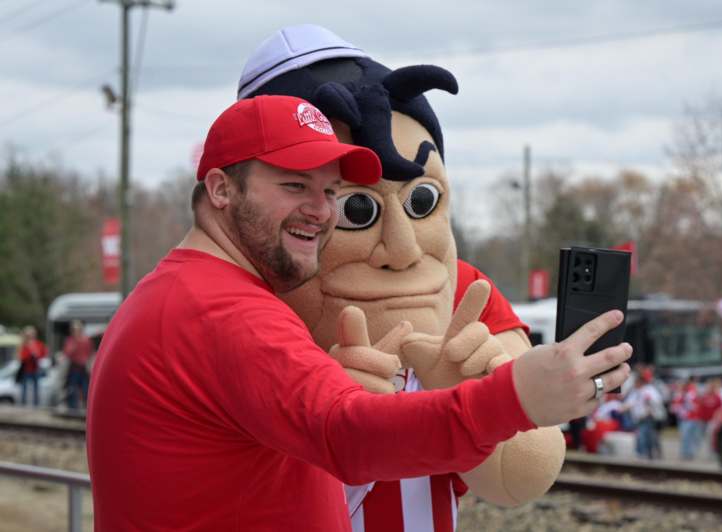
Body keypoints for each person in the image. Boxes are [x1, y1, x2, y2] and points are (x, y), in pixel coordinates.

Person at [86, 95, 632, 531]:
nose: (319, 211)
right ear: (221, 189)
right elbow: (350, 436)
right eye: (293, 185)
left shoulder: (177, 291)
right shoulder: (225, 310)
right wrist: (514, 398)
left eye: (331, 191)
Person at [239, 25, 567, 529]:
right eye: (357, 208)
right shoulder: (241, 301)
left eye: (422, 201)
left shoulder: (462, 291)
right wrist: (322, 411)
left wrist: (481, 397)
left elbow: (520, 474)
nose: (403, 248)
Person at [621, 368, 663, 460]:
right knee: (645, 436)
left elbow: (656, 401)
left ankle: (645, 454)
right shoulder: (636, 391)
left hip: (647, 418)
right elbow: (630, 403)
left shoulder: (649, 390)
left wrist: (649, 409)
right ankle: (648, 454)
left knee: (645, 436)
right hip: (638, 418)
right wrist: (622, 408)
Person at [63, 320, 93, 409]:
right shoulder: (70, 340)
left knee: (85, 389)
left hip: (83, 368)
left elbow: (89, 353)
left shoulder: (86, 340)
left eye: (78, 329)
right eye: (74, 329)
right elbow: (67, 353)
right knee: (72, 389)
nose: (76, 331)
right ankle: (73, 408)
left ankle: (86, 408)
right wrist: (75, 344)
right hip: (74, 367)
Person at [670, 376, 702, 460]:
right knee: (685, 436)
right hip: (686, 418)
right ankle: (685, 453)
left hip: (693, 417)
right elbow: (676, 406)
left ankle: (690, 453)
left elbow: (696, 403)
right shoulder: (684, 393)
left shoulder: (693, 391)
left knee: (692, 437)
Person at [17, 325, 48, 406]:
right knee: (24, 388)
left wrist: (36, 354)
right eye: (29, 334)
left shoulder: (38, 344)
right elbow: (22, 357)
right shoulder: (24, 345)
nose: (31, 336)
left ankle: (36, 405)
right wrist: (30, 353)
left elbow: (43, 354)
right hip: (26, 369)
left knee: (36, 388)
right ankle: (23, 404)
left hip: (35, 369)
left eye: (32, 334)